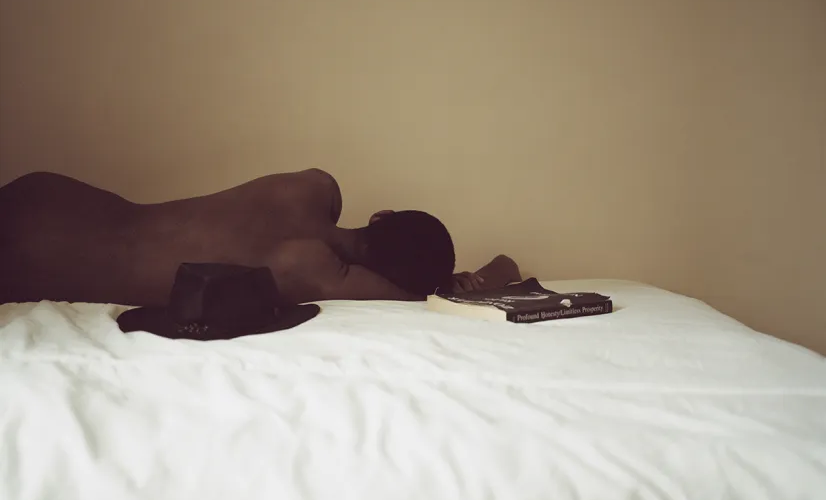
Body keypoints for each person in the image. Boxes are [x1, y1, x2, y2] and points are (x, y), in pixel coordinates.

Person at [0, 169, 521, 307]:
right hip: (41, 263)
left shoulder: (315, 187)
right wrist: (479, 277)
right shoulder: (312, 269)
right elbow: (417, 297)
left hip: (54, 199)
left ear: (381, 215)